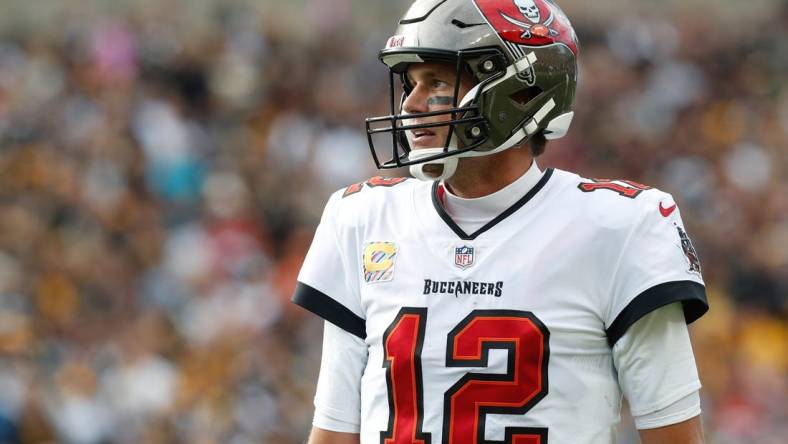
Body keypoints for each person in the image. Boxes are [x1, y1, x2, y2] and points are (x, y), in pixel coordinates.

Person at [292, 1, 709, 443]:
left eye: (435, 81)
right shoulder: (363, 218)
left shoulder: (619, 227)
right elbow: (335, 429)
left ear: (519, 91)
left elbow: (673, 432)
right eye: (411, 84)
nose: (411, 104)